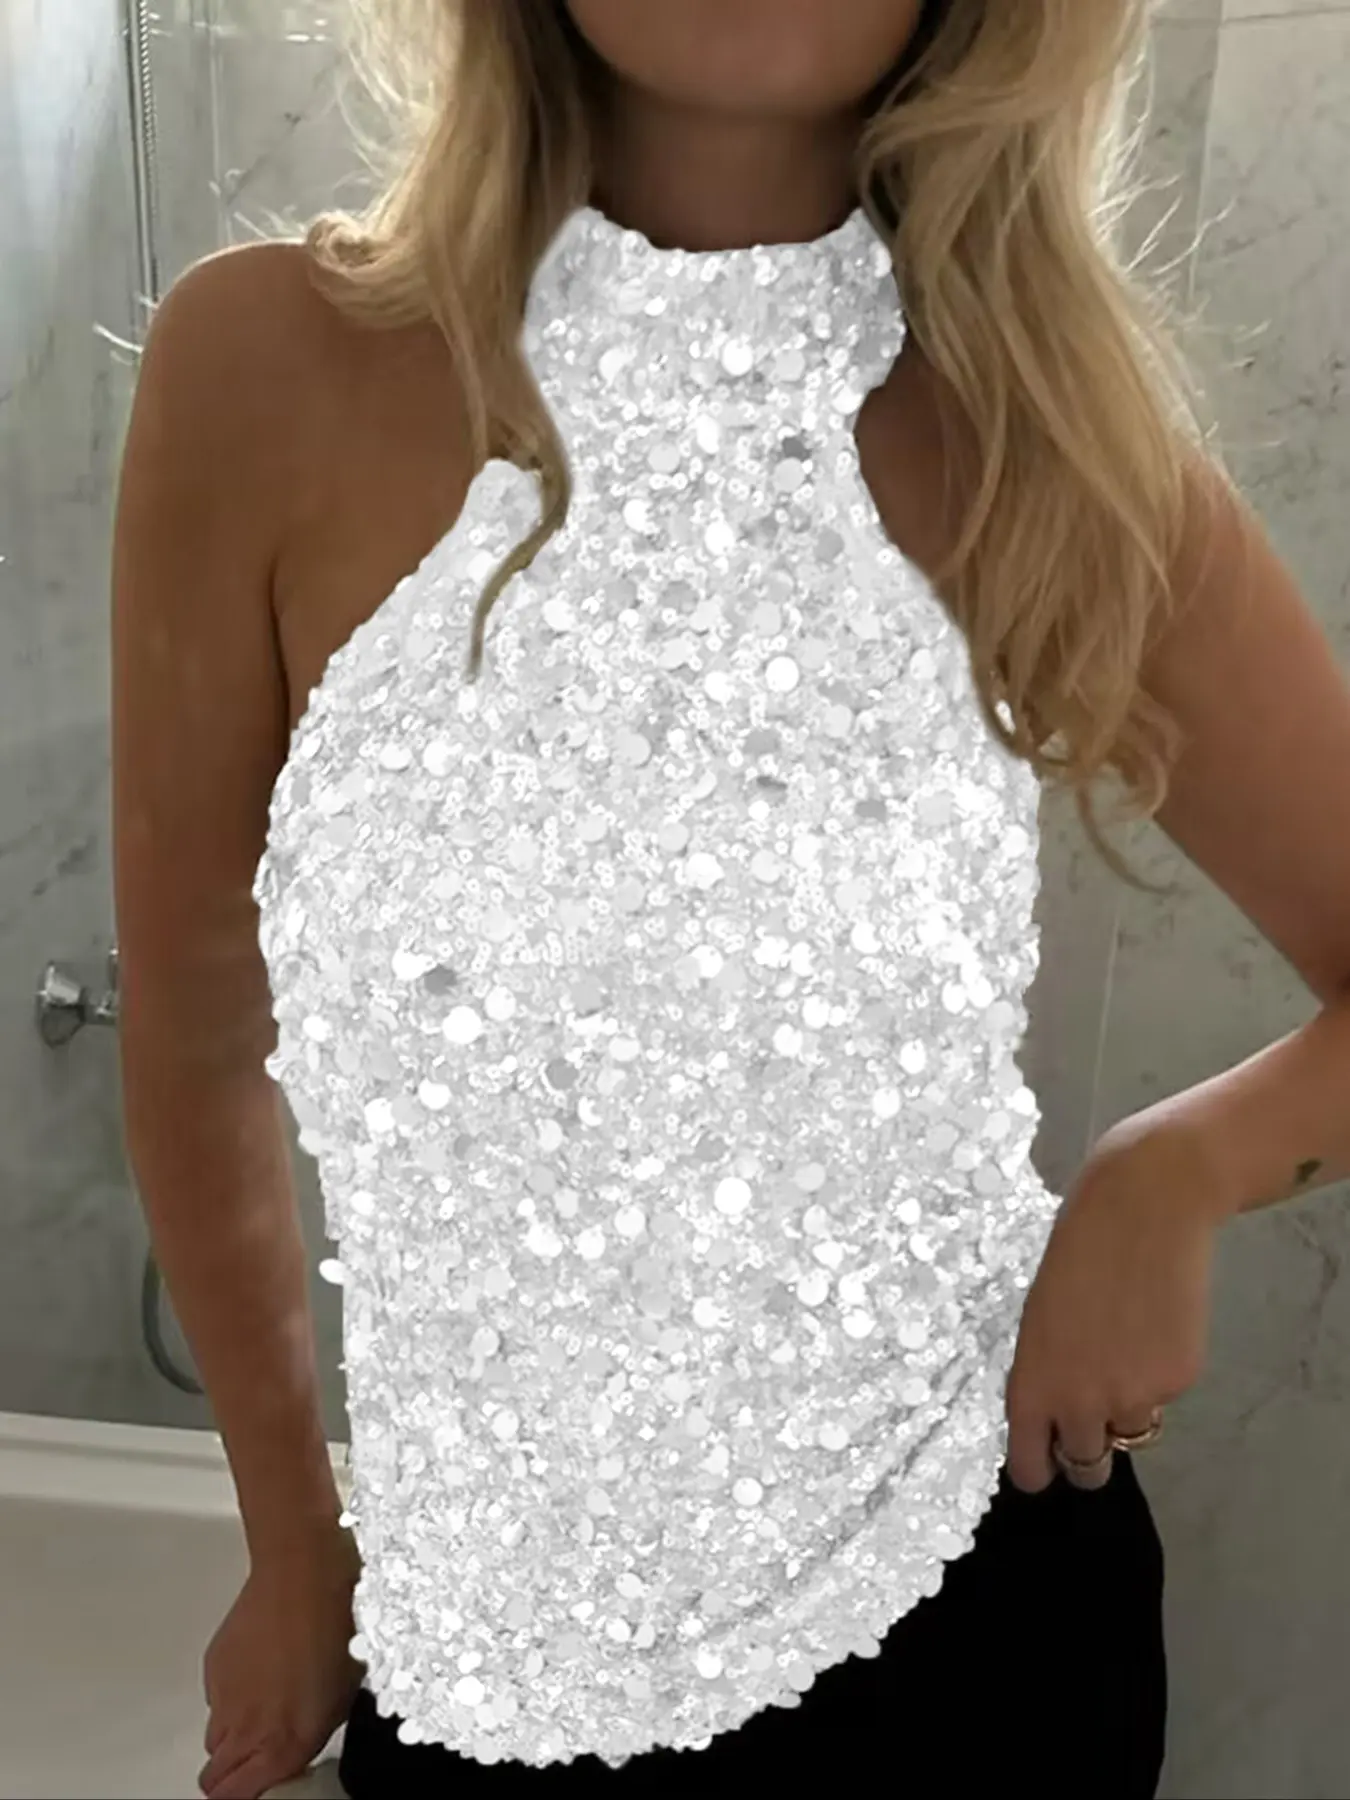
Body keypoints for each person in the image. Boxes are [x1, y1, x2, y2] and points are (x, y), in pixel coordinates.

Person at [110, 2, 1350, 1797]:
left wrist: (1177, 1172)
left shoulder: (1040, 435)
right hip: (471, 1662)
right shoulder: (260, 368)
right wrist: (295, 1546)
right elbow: (190, 1034)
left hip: (968, 1648)